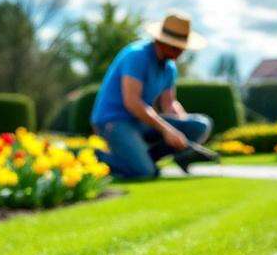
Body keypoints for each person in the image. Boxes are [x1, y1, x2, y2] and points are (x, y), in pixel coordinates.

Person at [90, 12, 219, 179]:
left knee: (199, 125)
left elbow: (169, 104)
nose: (180, 52)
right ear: (162, 41)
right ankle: (91, 157)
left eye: (182, 47)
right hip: (114, 121)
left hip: (140, 122)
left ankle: (145, 159)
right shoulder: (137, 56)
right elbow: (132, 102)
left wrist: (184, 139)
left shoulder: (169, 67)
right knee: (145, 172)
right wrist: (167, 130)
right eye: (176, 47)